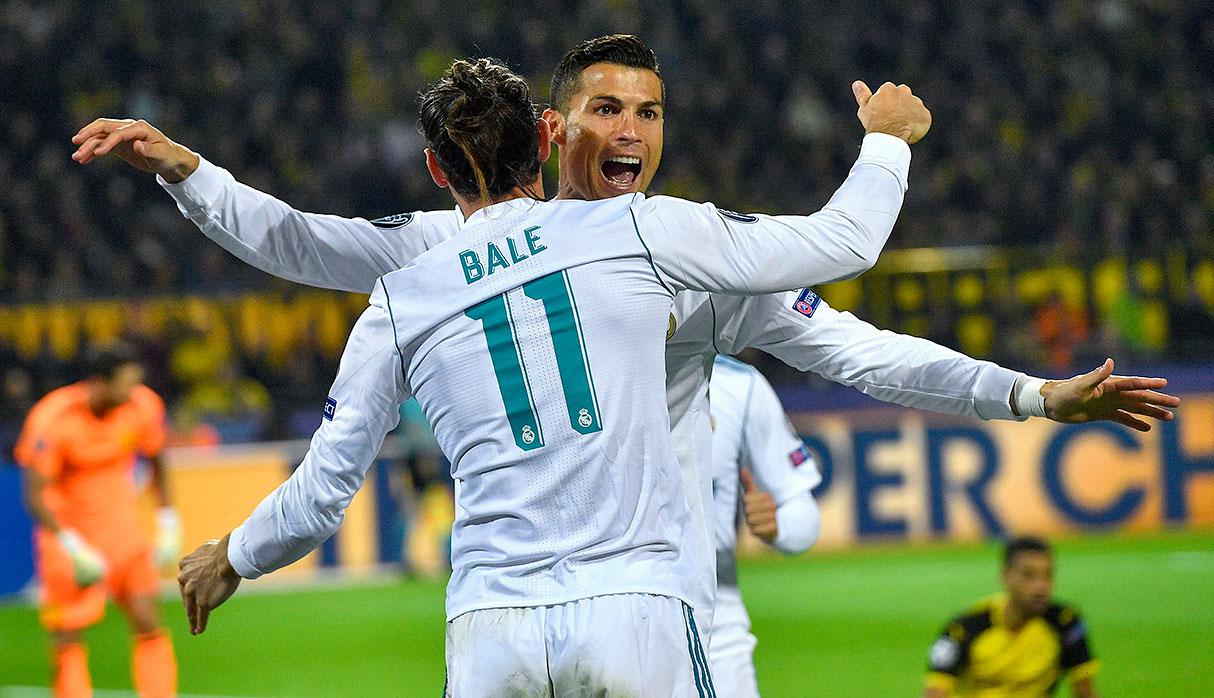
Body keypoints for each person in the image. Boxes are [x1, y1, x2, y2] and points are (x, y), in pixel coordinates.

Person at [74, 34, 1176, 637]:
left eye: (648, 112)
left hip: (662, 600)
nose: (630, 130)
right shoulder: (449, 247)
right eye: (607, 108)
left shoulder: (683, 255)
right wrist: (188, 170)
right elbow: (302, 239)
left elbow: (862, 350)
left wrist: (1028, 397)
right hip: (579, 605)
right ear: (555, 128)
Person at [168, 56, 927, 696]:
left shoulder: (404, 295)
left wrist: (231, 555)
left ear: (435, 168)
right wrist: (887, 145)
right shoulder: (631, 229)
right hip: (633, 606)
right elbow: (844, 241)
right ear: (547, 136)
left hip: (492, 628)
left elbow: (320, 492)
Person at [14, 344, 180, 698]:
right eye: (124, 385)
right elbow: (34, 494)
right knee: (67, 636)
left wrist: (168, 522)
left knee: (148, 623)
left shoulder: (142, 406)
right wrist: (71, 546)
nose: (131, 394)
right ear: (99, 383)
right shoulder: (53, 418)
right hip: (68, 537)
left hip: (123, 531)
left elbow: (157, 463)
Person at [706, 356, 822, 696]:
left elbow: (803, 512)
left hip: (717, 620)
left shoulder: (739, 385)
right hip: (608, 615)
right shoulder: (590, 368)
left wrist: (777, 526)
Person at [924, 536, 1100, 698]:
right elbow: (936, 692)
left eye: (1047, 575)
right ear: (1006, 575)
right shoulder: (964, 628)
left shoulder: (1065, 622)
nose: (1040, 587)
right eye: (1028, 575)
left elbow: (1084, 691)